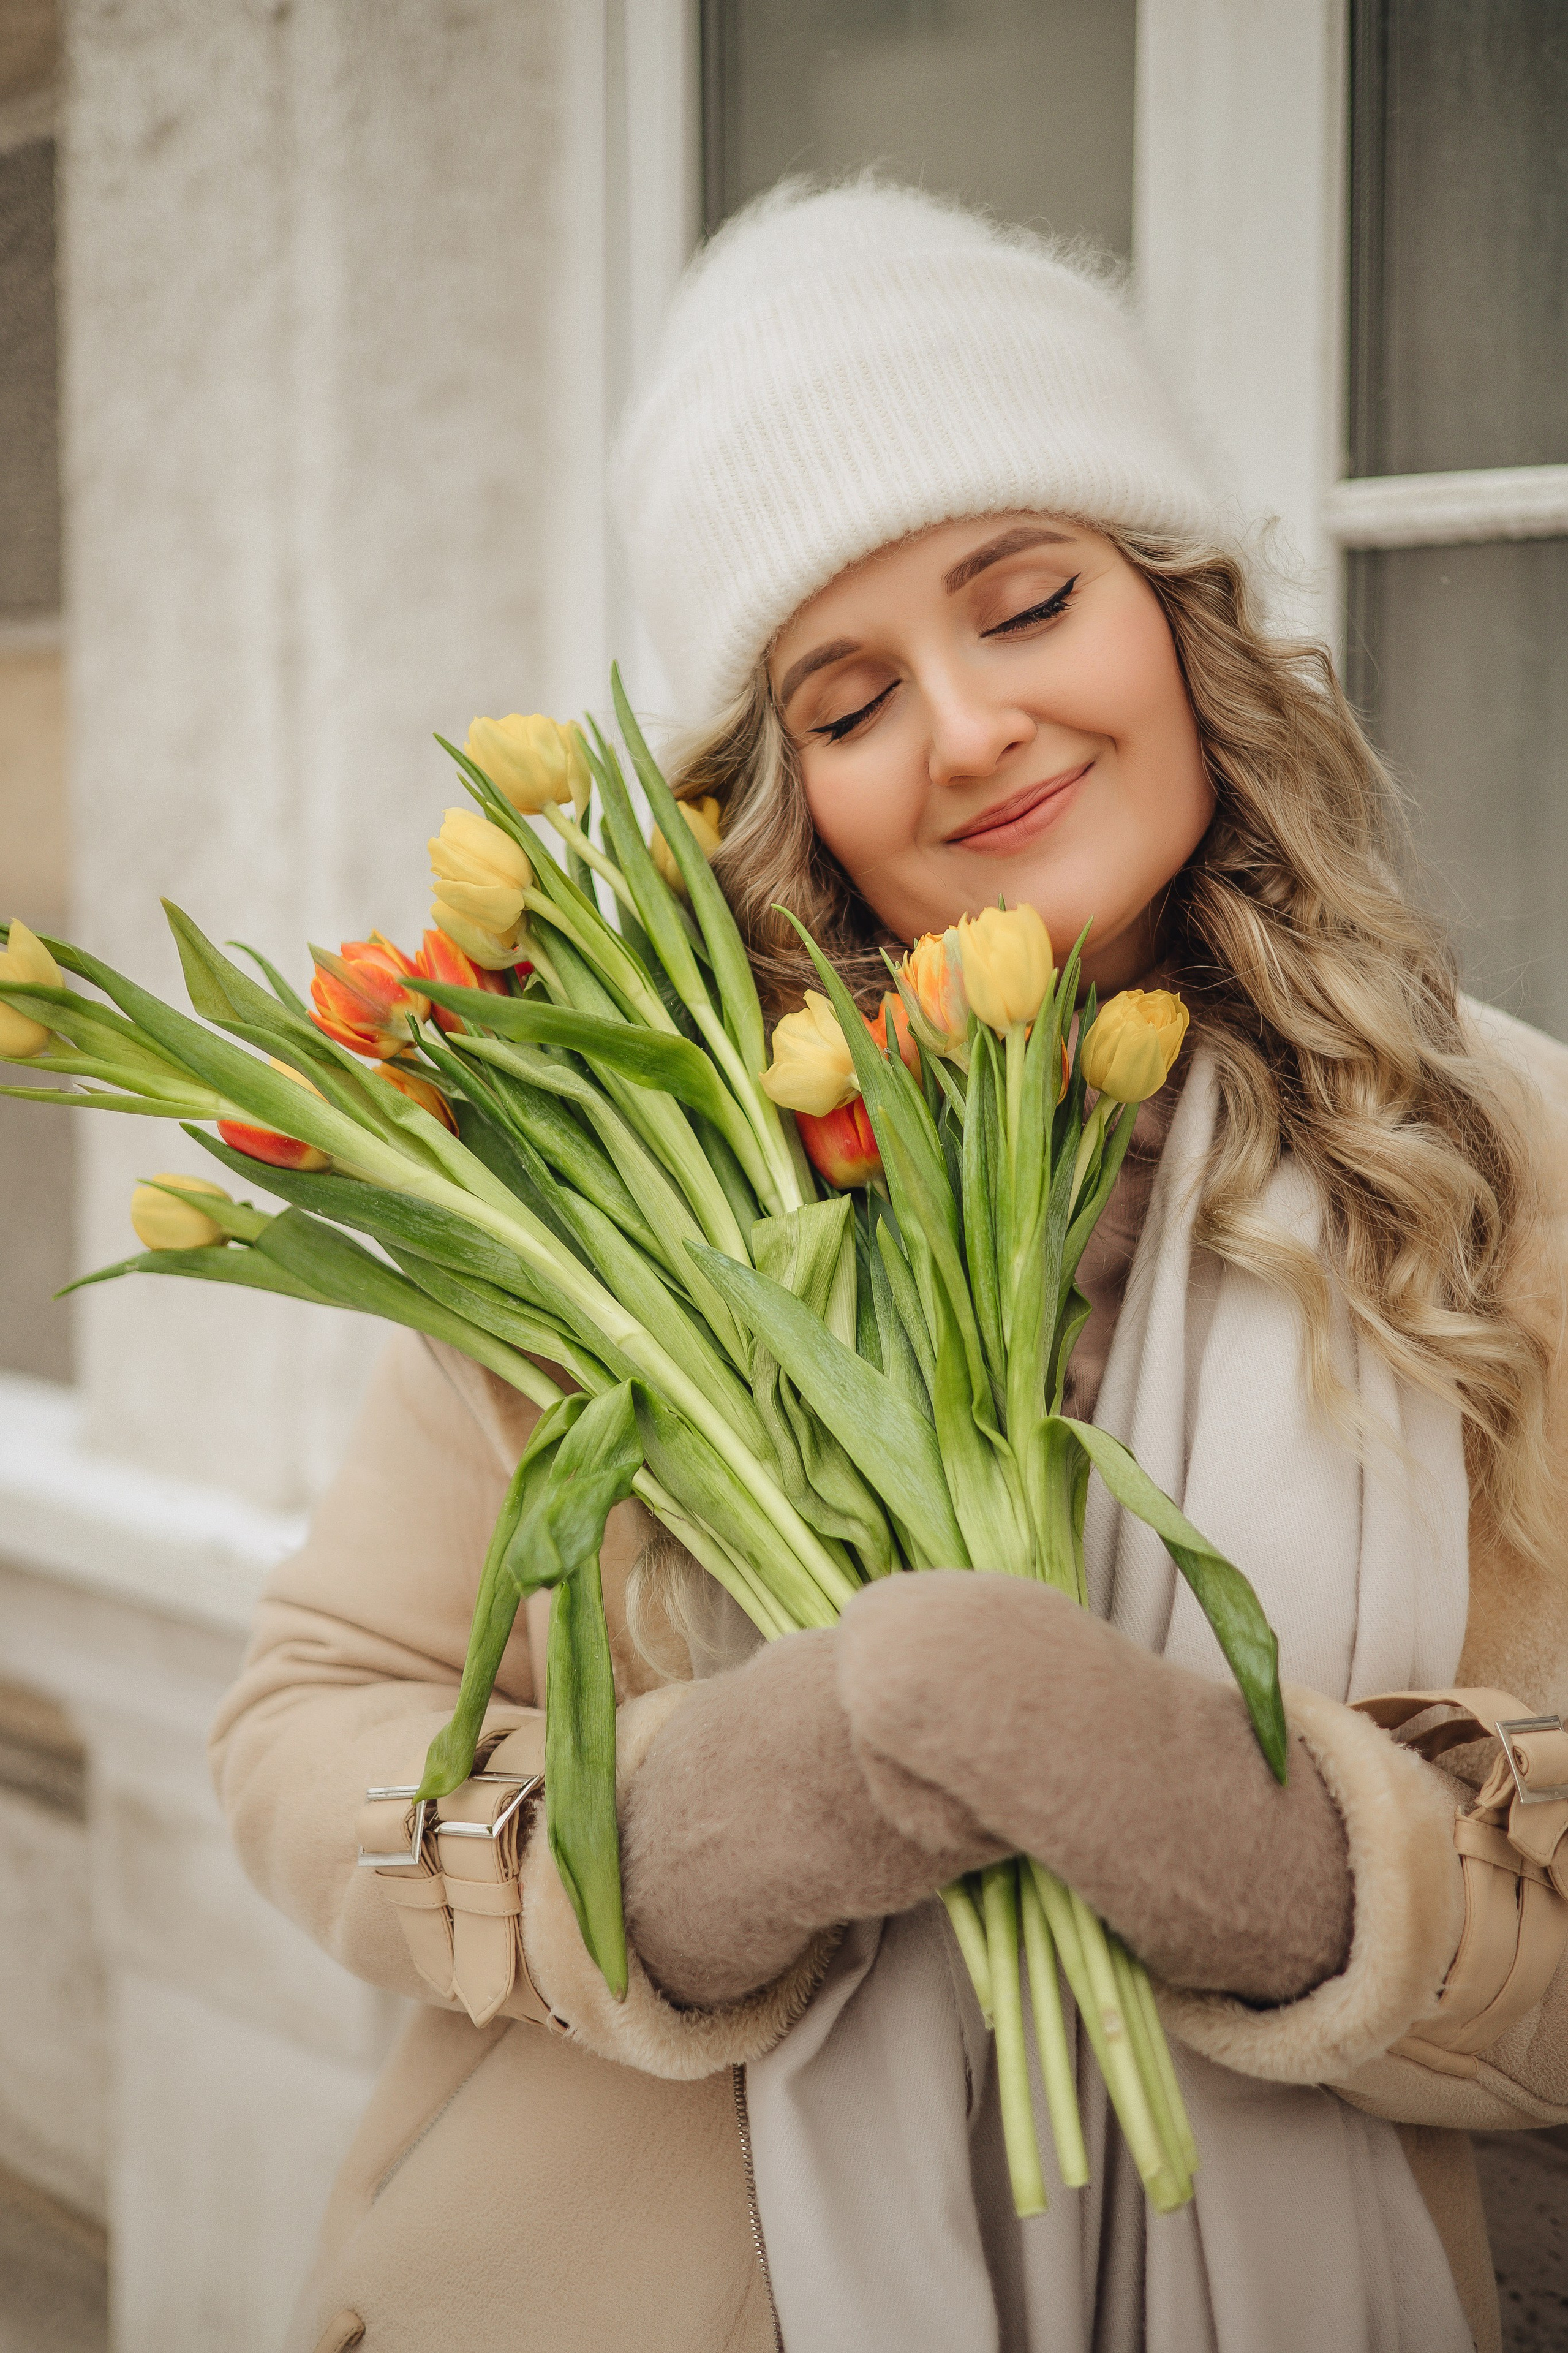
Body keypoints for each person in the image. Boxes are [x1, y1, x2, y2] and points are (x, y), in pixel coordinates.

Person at [211, 181, 1568, 2353]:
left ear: (1179, 613)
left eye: (1027, 602)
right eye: (850, 702)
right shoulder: (623, 1181)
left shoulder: (1497, 1161)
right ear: (788, 787)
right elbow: (304, 1734)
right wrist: (705, 1829)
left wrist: (1290, 1861)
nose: (968, 729)